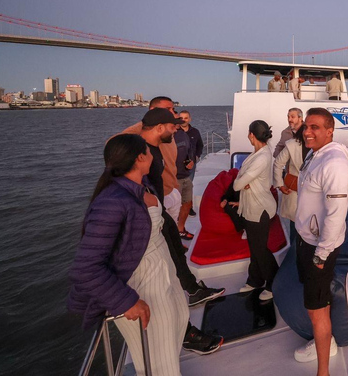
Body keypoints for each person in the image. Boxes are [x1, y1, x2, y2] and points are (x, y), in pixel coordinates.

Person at [69, 134, 189, 375]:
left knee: (179, 323)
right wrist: (126, 301)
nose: (153, 154)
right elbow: (85, 268)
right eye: (148, 150)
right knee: (158, 358)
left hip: (163, 272)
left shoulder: (143, 185)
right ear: (140, 158)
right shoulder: (112, 201)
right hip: (142, 282)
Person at [122, 100, 224, 354]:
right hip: (149, 220)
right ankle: (184, 333)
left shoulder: (159, 145)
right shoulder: (136, 149)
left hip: (160, 211)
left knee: (176, 260)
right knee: (163, 282)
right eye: (172, 121)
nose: (177, 125)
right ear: (157, 126)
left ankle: (189, 300)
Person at [293, 108, 348, 375]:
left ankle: (324, 371)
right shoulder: (314, 154)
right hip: (306, 240)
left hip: (319, 248)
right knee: (317, 304)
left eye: (315, 127)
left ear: (330, 130)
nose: (307, 131)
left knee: (316, 310)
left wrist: (321, 254)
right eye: (306, 126)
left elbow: (336, 215)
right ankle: (324, 341)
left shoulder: (335, 164)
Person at [221, 120, 279, 301]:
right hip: (251, 207)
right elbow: (242, 180)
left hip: (259, 209)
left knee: (260, 250)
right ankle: (255, 280)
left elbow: (237, 183)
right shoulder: (258, 153)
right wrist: (245, 185)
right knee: (255, 248)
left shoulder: (262, 157)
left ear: (252, 135)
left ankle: (274, 283)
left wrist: (245, 184)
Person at [273, 124, 309, 242]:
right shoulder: (291, 144)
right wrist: (280, 184)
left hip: (312, 193)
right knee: (294, 226)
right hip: (294, 191)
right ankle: (294, 254)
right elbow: (278, 164)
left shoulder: (319, 146)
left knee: (310, 225)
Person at [178, 110, 203, 218]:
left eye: (186, 118)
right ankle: (178, 208)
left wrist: (197, 156)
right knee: (178, 188)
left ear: (190, 119)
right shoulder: (175, 132)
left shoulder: (195, 132)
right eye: (181, 118)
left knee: (189, 186)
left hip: (191, 165)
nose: (183, 120)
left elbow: (200, 145)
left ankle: (189, 207)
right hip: (178, 166)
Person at [174, 124, 196, 240]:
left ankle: (180, 229)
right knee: (172, 207)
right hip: (173, 179)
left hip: (186, 176)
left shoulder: (183, 135)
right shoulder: (165, 137)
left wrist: (191, 161)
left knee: (187, 203)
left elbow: (190, 149)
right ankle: (172, 236)